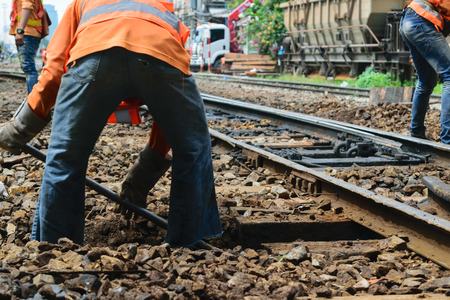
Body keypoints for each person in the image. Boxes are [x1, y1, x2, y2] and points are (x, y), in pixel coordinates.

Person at [1, 0, 222, 247]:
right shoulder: (162, 7)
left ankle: (55, 248)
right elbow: (173, 118)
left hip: (92, 53)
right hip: (159, 53)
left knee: (64, 158)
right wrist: (145, 170)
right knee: (193, 149)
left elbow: (54, 69)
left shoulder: (81, 2)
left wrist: (20, 127)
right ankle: (189, 246)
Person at [399, 0, 450, 144]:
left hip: (409, 20)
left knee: (426, 80)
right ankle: (448, 139)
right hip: (421, 21)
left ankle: (417, 132)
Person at [9, 0, 45, 93]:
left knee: (29, 68)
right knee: (28, 67)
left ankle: (34, 103)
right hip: (29, 32)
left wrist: (20, 30)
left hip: (27, 33)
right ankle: (35, 101)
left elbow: (27, 7)